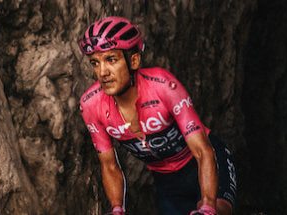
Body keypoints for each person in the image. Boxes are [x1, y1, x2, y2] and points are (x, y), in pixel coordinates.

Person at [78, 16, 236, 215]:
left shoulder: (163, 86)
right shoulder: (90, 104)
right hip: (166, 179)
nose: (102, 72)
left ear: (133, 60)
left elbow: (203, 150)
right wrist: (117, 209)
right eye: (95, 62)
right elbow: (109, 164)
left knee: (217, 211)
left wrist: (207, 206)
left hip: (203, 161)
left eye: (111, 59)